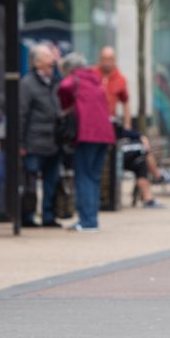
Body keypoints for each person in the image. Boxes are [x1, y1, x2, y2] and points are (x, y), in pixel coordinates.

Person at [58, 53, 116, 232]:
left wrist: (66, 106)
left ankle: (86, 220)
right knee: (94, 177)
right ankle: (92, 218)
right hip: (105, 135)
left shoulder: (74, 79)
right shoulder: (95, 79)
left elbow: (63, 88)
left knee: (83, 176)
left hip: (86, 134)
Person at [19, 45, 63, 227]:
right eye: (47, 58)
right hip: (34, 142)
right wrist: (20, 142)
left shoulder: (55, 82)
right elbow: (21, 114)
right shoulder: (27, 84)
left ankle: (48, 215)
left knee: (51, 182)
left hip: (54, 142)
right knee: (30, 182)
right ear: (37, 63)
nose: (52, 61)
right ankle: (27, 215)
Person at [115, 123, 165, 208]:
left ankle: (148, 199)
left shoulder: (113, 122)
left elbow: (124, 132)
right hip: (113, 159)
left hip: (121, 158)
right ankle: (158, 176)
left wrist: (141, 136)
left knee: (141, 163)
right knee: (144, 150)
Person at [93, 46, 131, 129]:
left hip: (109, 122)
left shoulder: (120, 79)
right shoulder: (91, 74)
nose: (107, 62)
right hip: (92, 121)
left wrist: (127, 124)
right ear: (100, 59)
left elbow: (126, 102)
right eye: (104, 59)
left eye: (110, 59)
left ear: (114, 60)